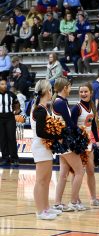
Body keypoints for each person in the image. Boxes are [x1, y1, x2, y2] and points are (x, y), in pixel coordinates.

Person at [30, 79, 62, 220]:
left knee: (47, 179)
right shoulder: (39, 110)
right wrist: (57, 135)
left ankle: (46, 207)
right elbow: (40, 132)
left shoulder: (42, 108)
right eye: (49, 90)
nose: (51, 93)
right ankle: (40, 211)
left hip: (45, 147)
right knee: (41, 180)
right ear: (44, 92)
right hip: (40, 147)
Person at [52, 77, 85, 211]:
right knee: (79, 171)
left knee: (63, 174)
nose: (71, 89)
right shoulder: (60, 102)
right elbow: (70, 123)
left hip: (62, 141)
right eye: (70, 86)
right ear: (65, 88)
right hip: (65, 141)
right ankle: (73, 201)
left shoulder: (61, 101)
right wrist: (80, 134)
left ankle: (57, 203)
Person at [71, 82, 99, 206]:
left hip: (89, 144)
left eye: (85, 91)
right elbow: (72, 126)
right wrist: (77, 141)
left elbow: (94, 126)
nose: (83, 94)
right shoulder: (76, 108)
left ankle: (93, 198)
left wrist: (97, 141)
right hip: (79, 144)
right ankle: (76, 198)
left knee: (91, 171)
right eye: (81, 92)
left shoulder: (92, 107)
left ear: (91, 93)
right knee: (77, 172)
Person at [0, 79, 20, 167]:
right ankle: (5, 158)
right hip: (0, 118)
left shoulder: (11, 94)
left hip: (10, 118)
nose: (5, 85)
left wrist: (16, 111)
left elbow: (17, 104)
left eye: (5, 84)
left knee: (11, 137)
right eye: (2, 84)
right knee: (2, 138)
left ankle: (15, 158)